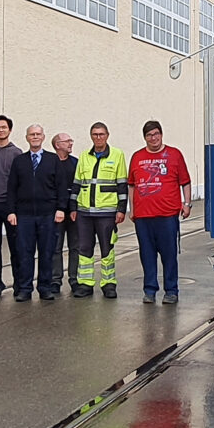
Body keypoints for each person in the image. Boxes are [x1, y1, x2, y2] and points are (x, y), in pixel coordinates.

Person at [128, 121, 192, 304]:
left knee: (169, 255)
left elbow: (185, 181)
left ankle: (171, 290)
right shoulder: (137, 157)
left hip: (167, 215)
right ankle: (149, 290)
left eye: (156, 134)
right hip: (143, 216)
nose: (153, 138)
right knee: (147, 255)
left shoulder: (174, 154)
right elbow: (131, 185)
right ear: (144, 137)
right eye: (149, 135)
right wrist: (132, 209)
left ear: (161, 134)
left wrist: (187, 204)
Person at [6, 124, 68, 301]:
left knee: (46, 252)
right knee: (24, 253)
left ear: (43, 137)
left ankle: (45, 287)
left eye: (38, 134)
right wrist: (11, 211)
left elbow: (61, 187)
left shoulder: (52, 160)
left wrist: (61, 209)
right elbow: (11, 188)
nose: (35, 137)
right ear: (27, 138)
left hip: (48, 214)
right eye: (32, 134)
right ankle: (25, 288)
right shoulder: (19, 161)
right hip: (24, 215)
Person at [70, 122, 128, 299]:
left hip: (107, 213)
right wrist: (73, 208)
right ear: (91, 136)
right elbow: (76, 184)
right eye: (95, 134)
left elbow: (122, 185)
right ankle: (86, 284)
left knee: (107, 250)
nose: (98, 137)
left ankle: (108, 284)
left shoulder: (117, 155)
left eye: (101, 134)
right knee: (84, 249)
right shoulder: (84, 156)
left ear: (107, 135)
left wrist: (121, 210)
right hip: (84, 213)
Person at [0, 115, 22, 297]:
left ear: (9, 130)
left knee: (15, 246)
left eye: (4, 127)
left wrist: (14, 207)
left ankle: (18, 282)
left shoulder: (16, 153)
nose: (1, 130)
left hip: (9, 206)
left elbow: (19, 182)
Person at [50, 133, 79, 294]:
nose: (70, 143)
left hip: (74, 211)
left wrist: (75, 208)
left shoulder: (76, 163)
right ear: (57, 145)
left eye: (70, 140)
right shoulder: (50, 163)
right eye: (67, 141)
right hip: (55, 212)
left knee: (75, 246)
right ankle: (55, 280)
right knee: (55, 247)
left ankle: (74, 279)